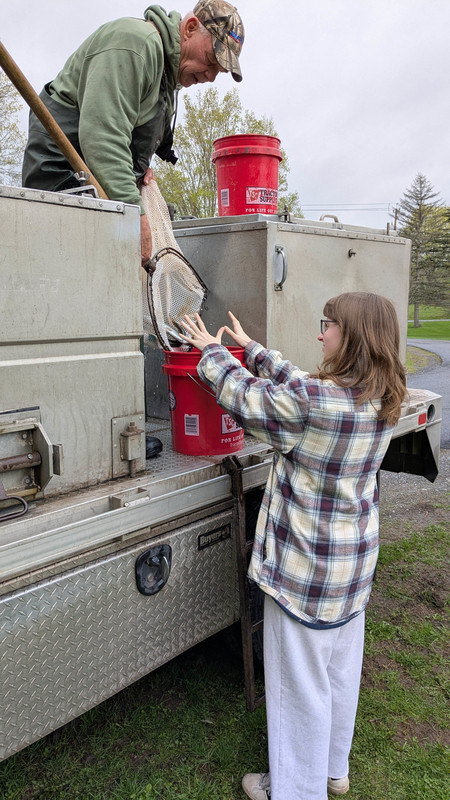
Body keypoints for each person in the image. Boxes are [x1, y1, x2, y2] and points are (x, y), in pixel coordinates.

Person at [180, 293, 407, 800]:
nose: (320, 334)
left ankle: (295, 791)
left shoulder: (314, 406)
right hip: (350, 573)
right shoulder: (386, 396)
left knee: (298, 693)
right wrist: (254, 349)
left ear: (352, 338)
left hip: (303, 577)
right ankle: (333, 770)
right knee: (339, 674)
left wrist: (211, 353)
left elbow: (250, 401)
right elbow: (301, 385)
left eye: (327, 325)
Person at [21, 1, 244, 267]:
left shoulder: (167, 74)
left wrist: (139, 171)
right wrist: (134, 211)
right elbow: (103, 138)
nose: (211, 76)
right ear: (190, 29)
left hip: (98, 189)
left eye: (219, 70)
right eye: (211, 60)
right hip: (61, 182)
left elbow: (129, 137)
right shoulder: (136, 46)